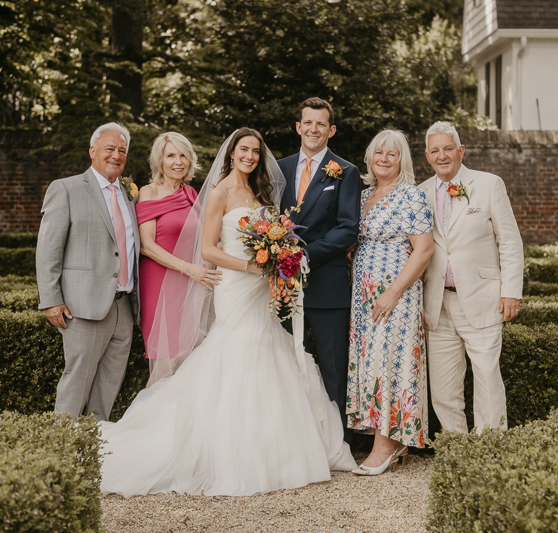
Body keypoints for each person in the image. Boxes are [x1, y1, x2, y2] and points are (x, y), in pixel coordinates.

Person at [99, 128, 357, 497]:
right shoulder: (218, 193)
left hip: (260, 288)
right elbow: (207, 250)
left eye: (255, 151)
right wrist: (253, 268)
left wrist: (278, 265)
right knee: (238, 349)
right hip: (236, 286)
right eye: (244, 150)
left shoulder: (262, 193)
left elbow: (276, 239)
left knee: (269, 349)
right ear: (231, 154)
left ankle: (275, 448)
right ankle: (233, 451)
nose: (250, 156)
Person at [418, 121, 524, 434]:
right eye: (435, 150)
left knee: (488, 380)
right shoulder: (419, 193)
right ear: (427, 156)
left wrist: (511, 292)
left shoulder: (489, 184)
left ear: (461, 150)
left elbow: (510, 240)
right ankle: (457, 449)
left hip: (482, 298)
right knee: (443, 387)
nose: (442, 155)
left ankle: (490, 451)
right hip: (437, 304)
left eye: (448, 148)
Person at [36, 122, 140, 421]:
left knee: (107, 387)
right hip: (83, 307)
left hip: (124, 308)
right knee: (76, 382)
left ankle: (94, 448)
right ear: (92, 150)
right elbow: (48, 249)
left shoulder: (129, 194)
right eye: (109, 148)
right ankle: (61, 448)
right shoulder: (65, 188)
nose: (116, 155)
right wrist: (51, 299)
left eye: (122, 150)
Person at [346, 130, 434, 475]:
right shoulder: (364, 194)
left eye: (392, 154)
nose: (384, 158)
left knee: (389, 361)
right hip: (364, 294)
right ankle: (390, 440)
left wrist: (393, 292)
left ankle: (386, 444)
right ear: (370, 157)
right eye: (378, 152)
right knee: (371, 362)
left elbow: (424, 249)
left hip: (395, 293)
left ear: (402, 161)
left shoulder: (410, 195)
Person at [277, 97, 362, 441]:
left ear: (331, 130)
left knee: (331, 368)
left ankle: (335, 443)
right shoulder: (277, 169)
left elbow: (347, 228)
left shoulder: (345, 171)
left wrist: (303, 257)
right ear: (298, 127)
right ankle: (294, 441)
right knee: (285, 364)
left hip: (326, 285)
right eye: (307, 123)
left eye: (321, 124)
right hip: (280, 286)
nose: (313, 129)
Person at [135, 132, 222, 385]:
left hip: (191, 284)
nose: (178, 161)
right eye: (170, 155)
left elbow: (203, 241)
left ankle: (171, 422)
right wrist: (188, 269)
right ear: (159, 161)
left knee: (187, 360)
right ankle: (144, 421)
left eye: (183, 155)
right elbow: (146, 246)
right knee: (165, 362)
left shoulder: (190, 194)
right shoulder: (148, 192)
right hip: (161, 282)